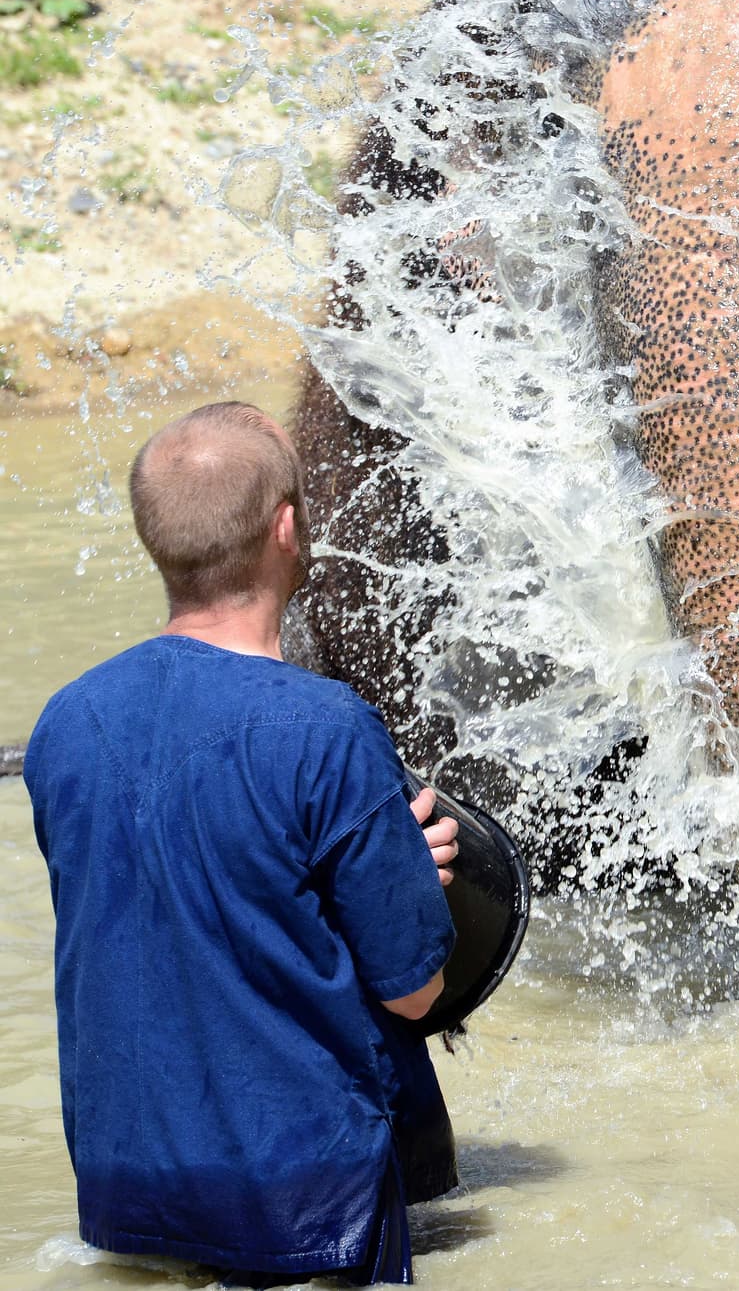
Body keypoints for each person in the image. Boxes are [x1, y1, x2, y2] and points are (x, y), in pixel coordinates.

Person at [24, 401, 461, 1287]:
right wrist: (409, 872)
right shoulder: (327, 728)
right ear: (287, 527)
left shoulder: (63, 722)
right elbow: (416, 993)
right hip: (305, 1208)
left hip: (121, 1196)